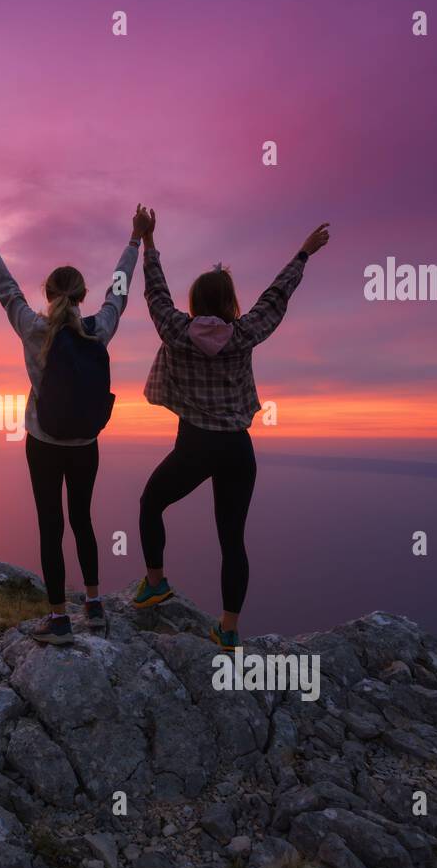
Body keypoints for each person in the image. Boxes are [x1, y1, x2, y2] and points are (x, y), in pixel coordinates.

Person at [0, 189, 152, 644]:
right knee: (83, 520)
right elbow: (118, 292)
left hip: (43, 443)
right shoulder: (98, 330)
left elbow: (4, 287)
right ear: (83, 295)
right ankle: (96, 606)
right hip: (85, 444)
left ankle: (60, 619)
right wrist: (135, 241)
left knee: (51, 524)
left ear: (47, 294)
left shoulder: (33, 328)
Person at [132, 210, 331, 650]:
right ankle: (228, 628)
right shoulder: (245, 333)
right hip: (238, 449)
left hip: (195, 445)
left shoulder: (175, 331)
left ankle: (155, 582)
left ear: (196, 301)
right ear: (229, 302)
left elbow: (155, 292)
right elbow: (275, 298)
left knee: (151, 502)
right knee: (232, 539)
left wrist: (148, 242)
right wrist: (303, 254)